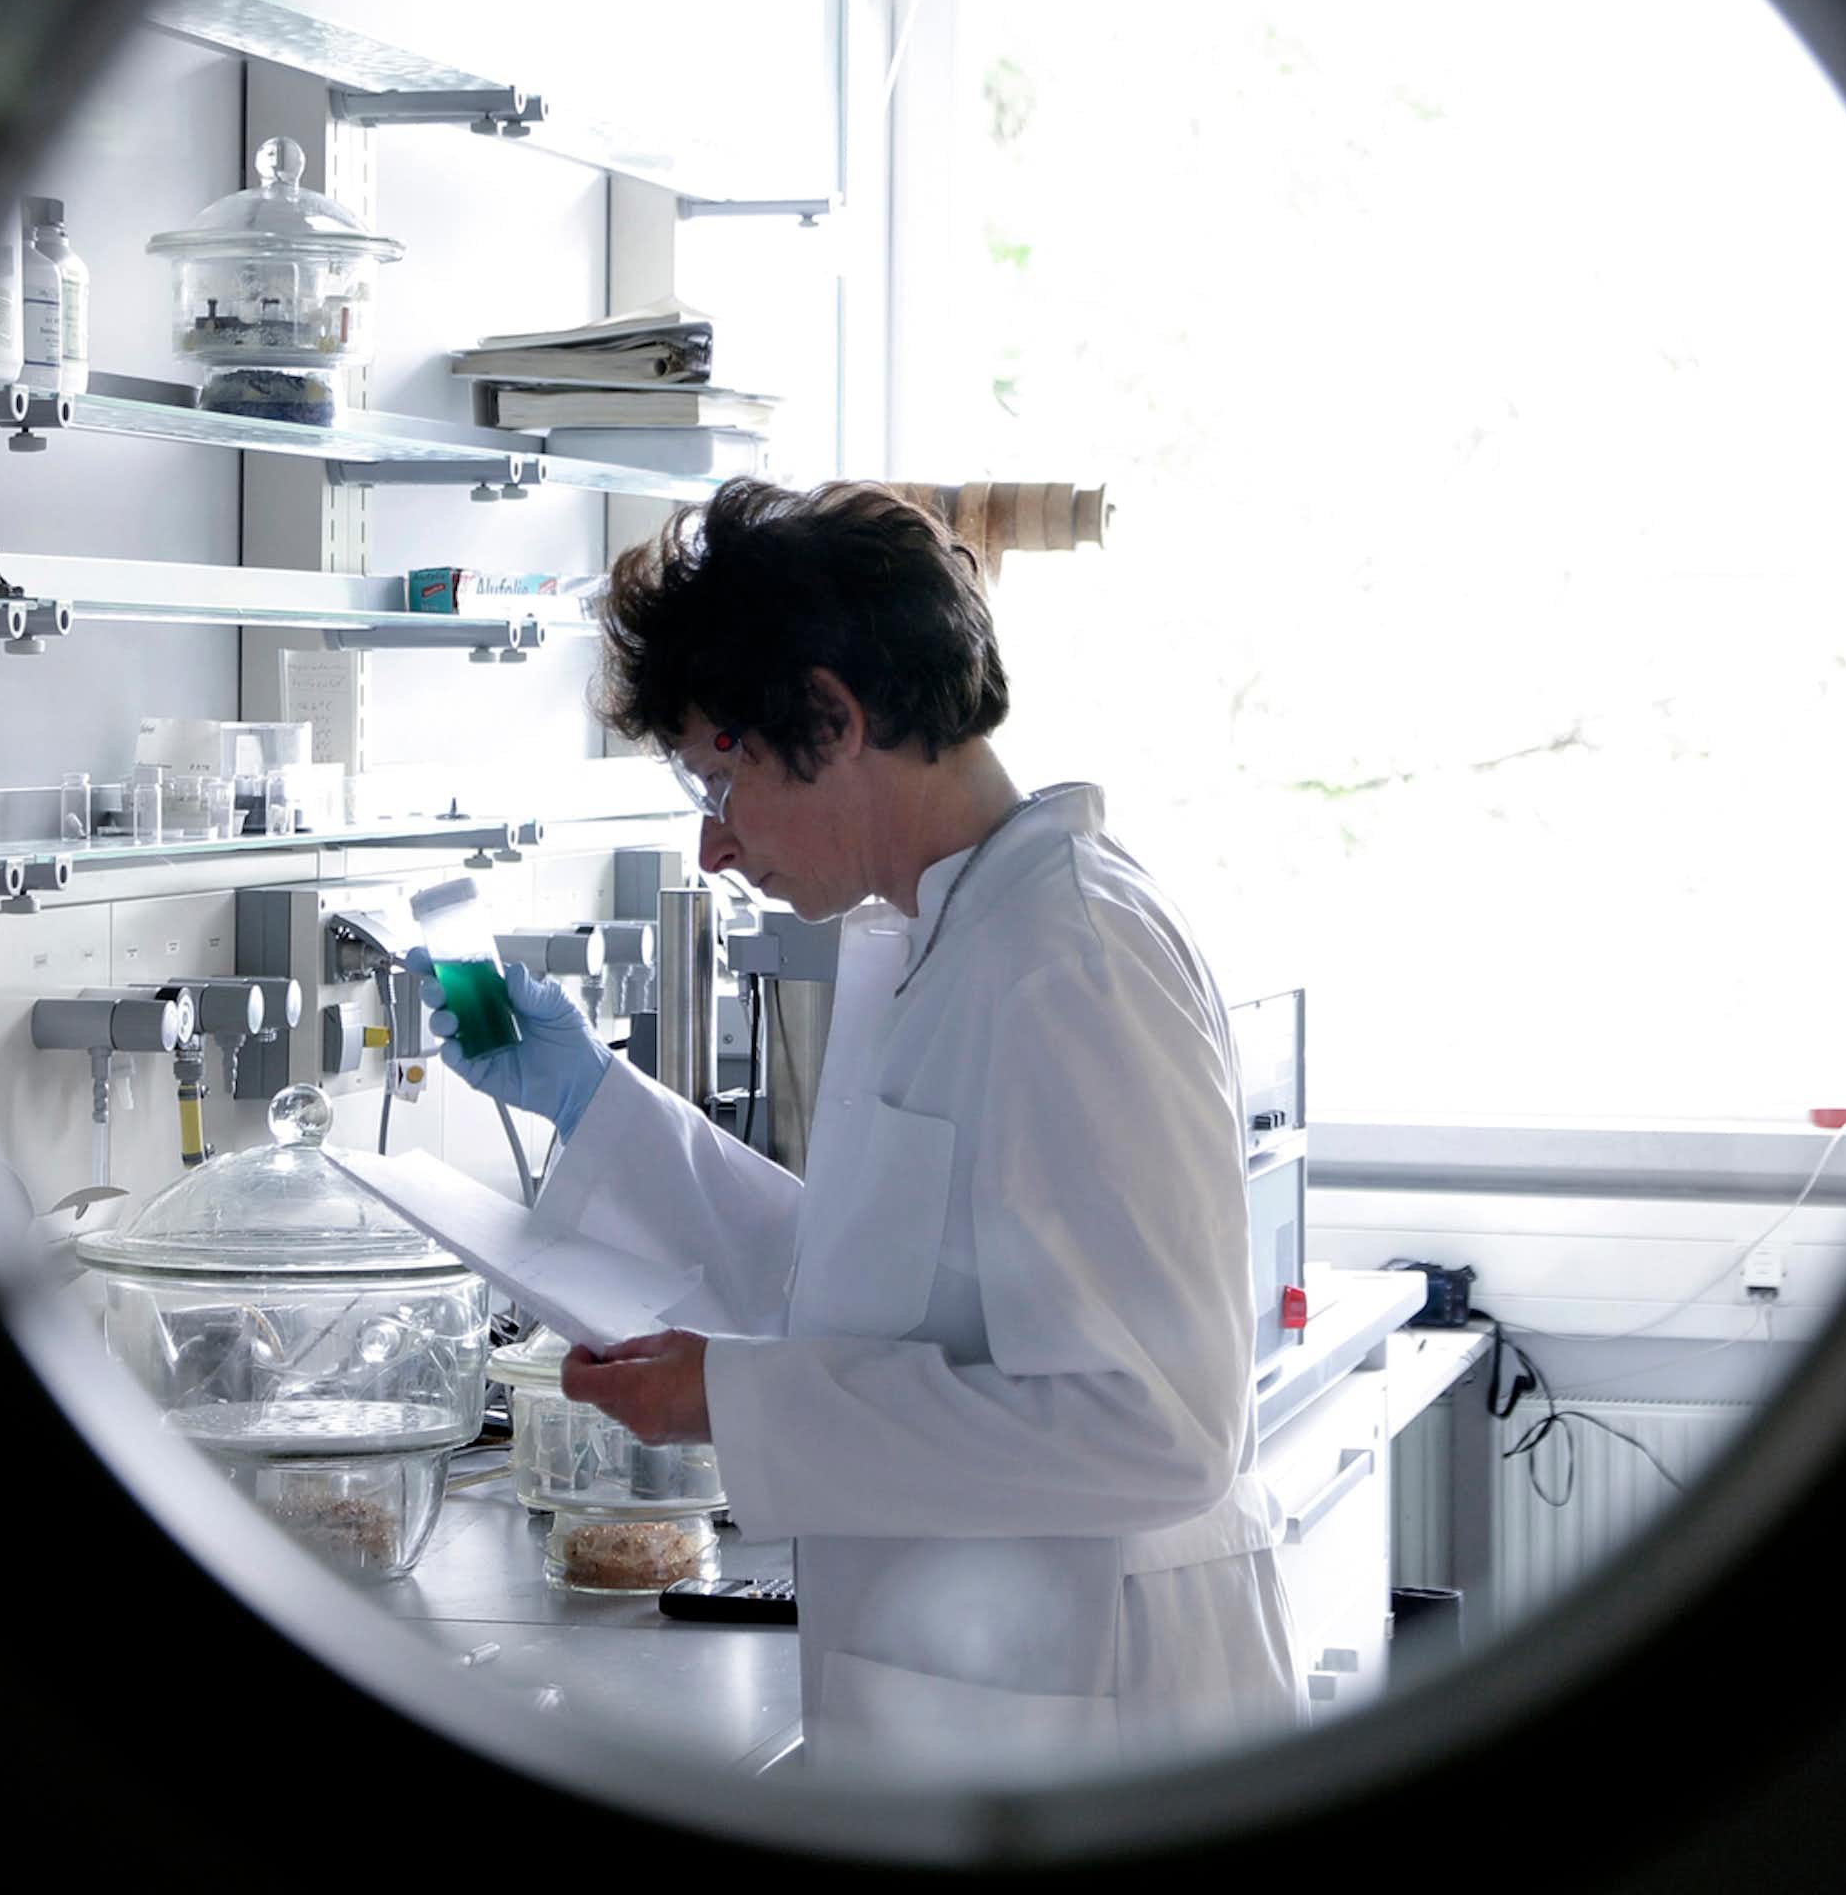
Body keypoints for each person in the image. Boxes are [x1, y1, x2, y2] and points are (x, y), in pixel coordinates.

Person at [424, 479, 1296, 1772]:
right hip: (984, 1699)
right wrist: (591, 1103)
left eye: (718, 780)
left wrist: (739, 1401)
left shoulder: (1071, 962)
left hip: (1099, 1716)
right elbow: (854, 1288)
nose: (715, 849)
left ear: (831, 719)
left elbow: (1157, 1428)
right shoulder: (937, 935)